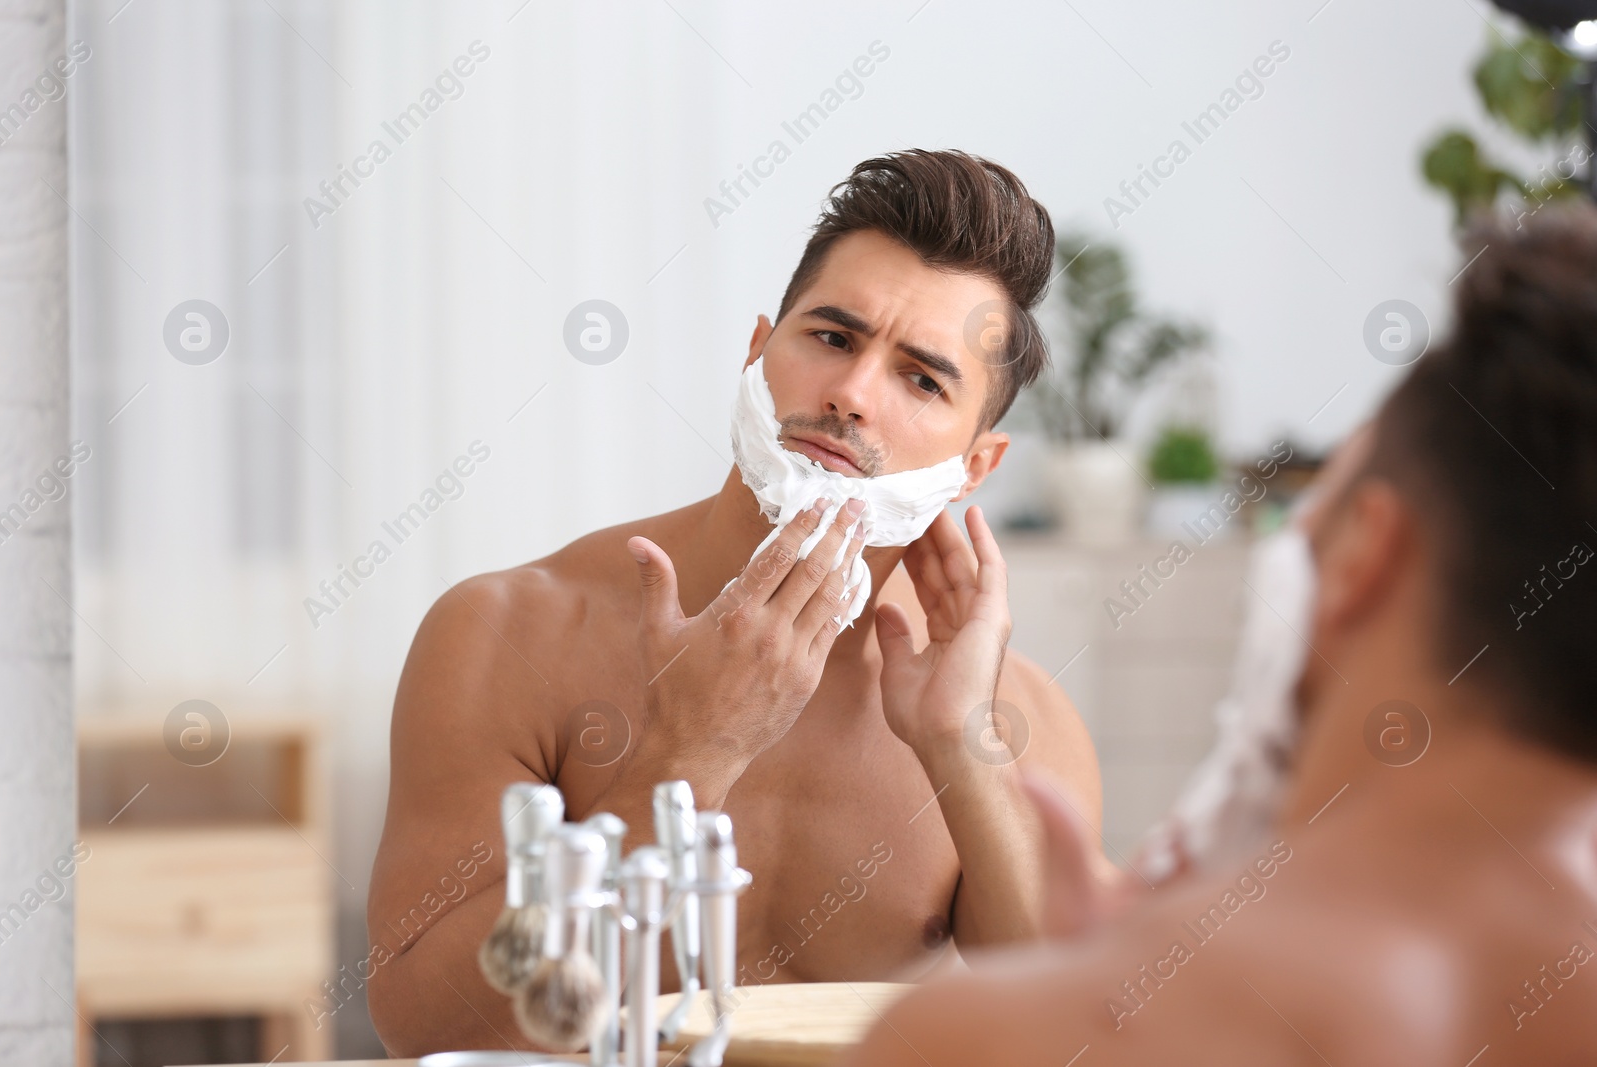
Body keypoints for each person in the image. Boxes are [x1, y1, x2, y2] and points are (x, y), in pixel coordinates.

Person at [366, 149, 1105, 1055]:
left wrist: (959, 746)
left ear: (976, 466)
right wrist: (687, 760)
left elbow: (1075, 1034)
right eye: (832, 338)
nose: (852, 394)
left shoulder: (1015, 717)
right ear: (759, 350)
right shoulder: (509, 633)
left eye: (922, 379)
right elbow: (422, 1023)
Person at [842, 202, 1597, 1066]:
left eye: (1307, 534)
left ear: (1361, 558)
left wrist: (1090, 993)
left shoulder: (974, 1041)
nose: (856, 396)